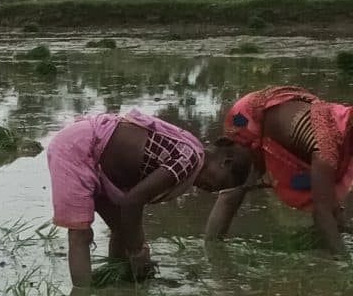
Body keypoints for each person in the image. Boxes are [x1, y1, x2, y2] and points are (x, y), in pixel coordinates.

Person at [43, 111, 206, 285]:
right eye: (226, 182)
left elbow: (134, 204)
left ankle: (118, 285)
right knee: (80, 235)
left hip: (100, 156)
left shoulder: (189, 149)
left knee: (123, 230)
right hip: (74, 148)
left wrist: (138, 245)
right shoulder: (187, 158)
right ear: (225, 162)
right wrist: (137, 250)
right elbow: (132, 202)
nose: (214, 190)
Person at [202, 87, 353, 255]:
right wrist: (344, 262)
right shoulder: (326, 150)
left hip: (255, 119)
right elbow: (322, 213)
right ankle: (211, 248)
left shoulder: (332, 141)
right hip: (251, 118)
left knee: (235, 187)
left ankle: (211, 247)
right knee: (235, 184)